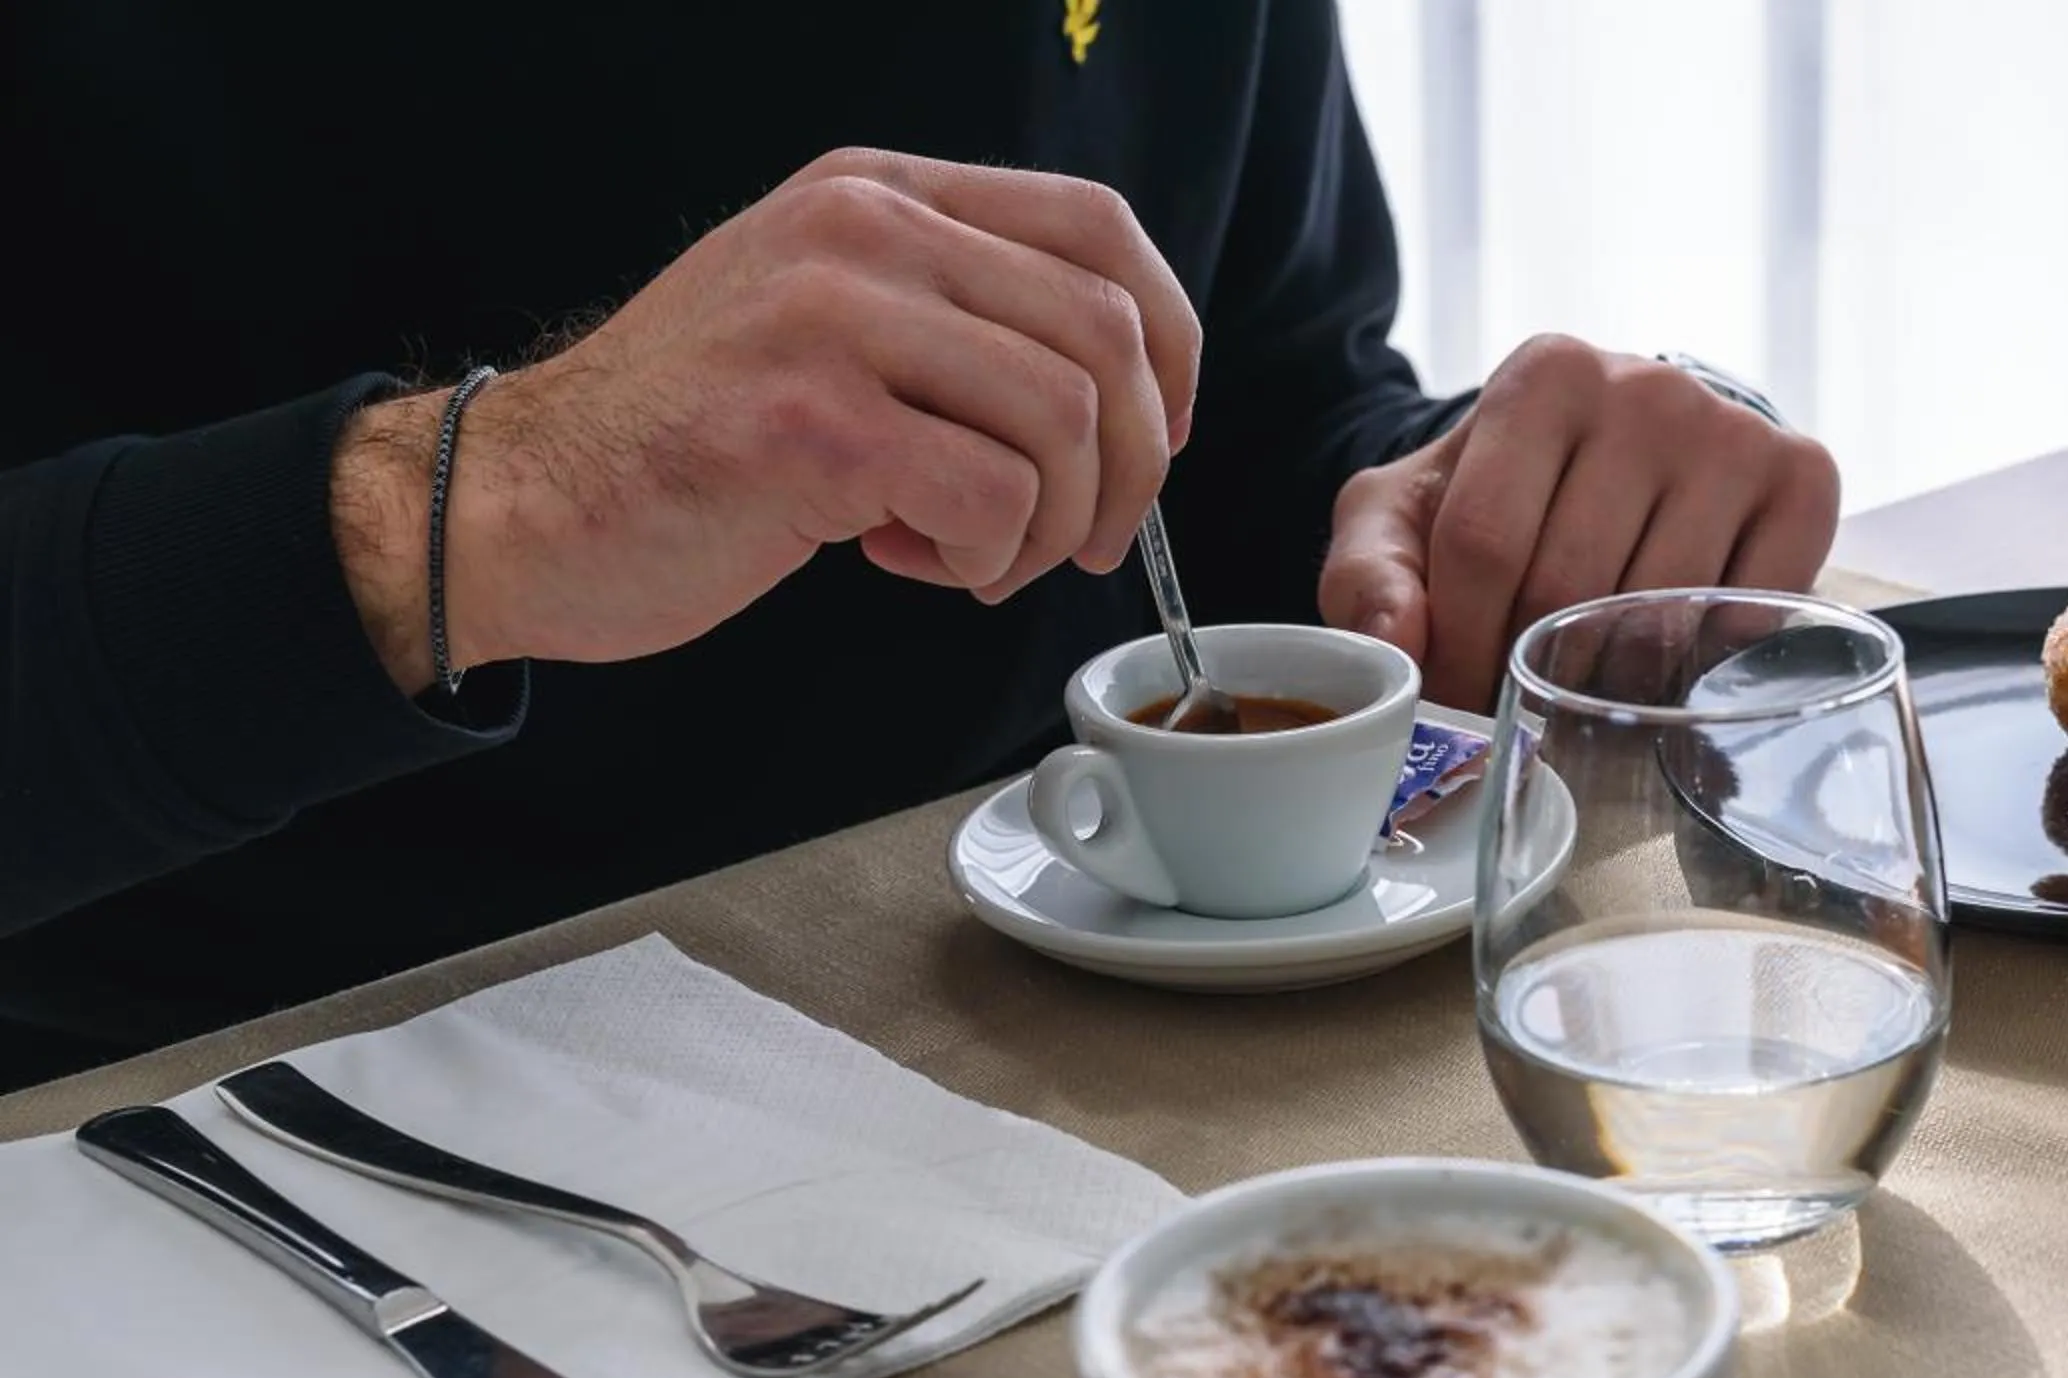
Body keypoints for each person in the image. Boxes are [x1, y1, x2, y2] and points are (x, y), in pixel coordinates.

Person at [0, 1, 1838, 1090]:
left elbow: (1265, 395)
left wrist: (1476, 498)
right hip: (227, 1126)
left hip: (1048, 1051)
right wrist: (485, 503)